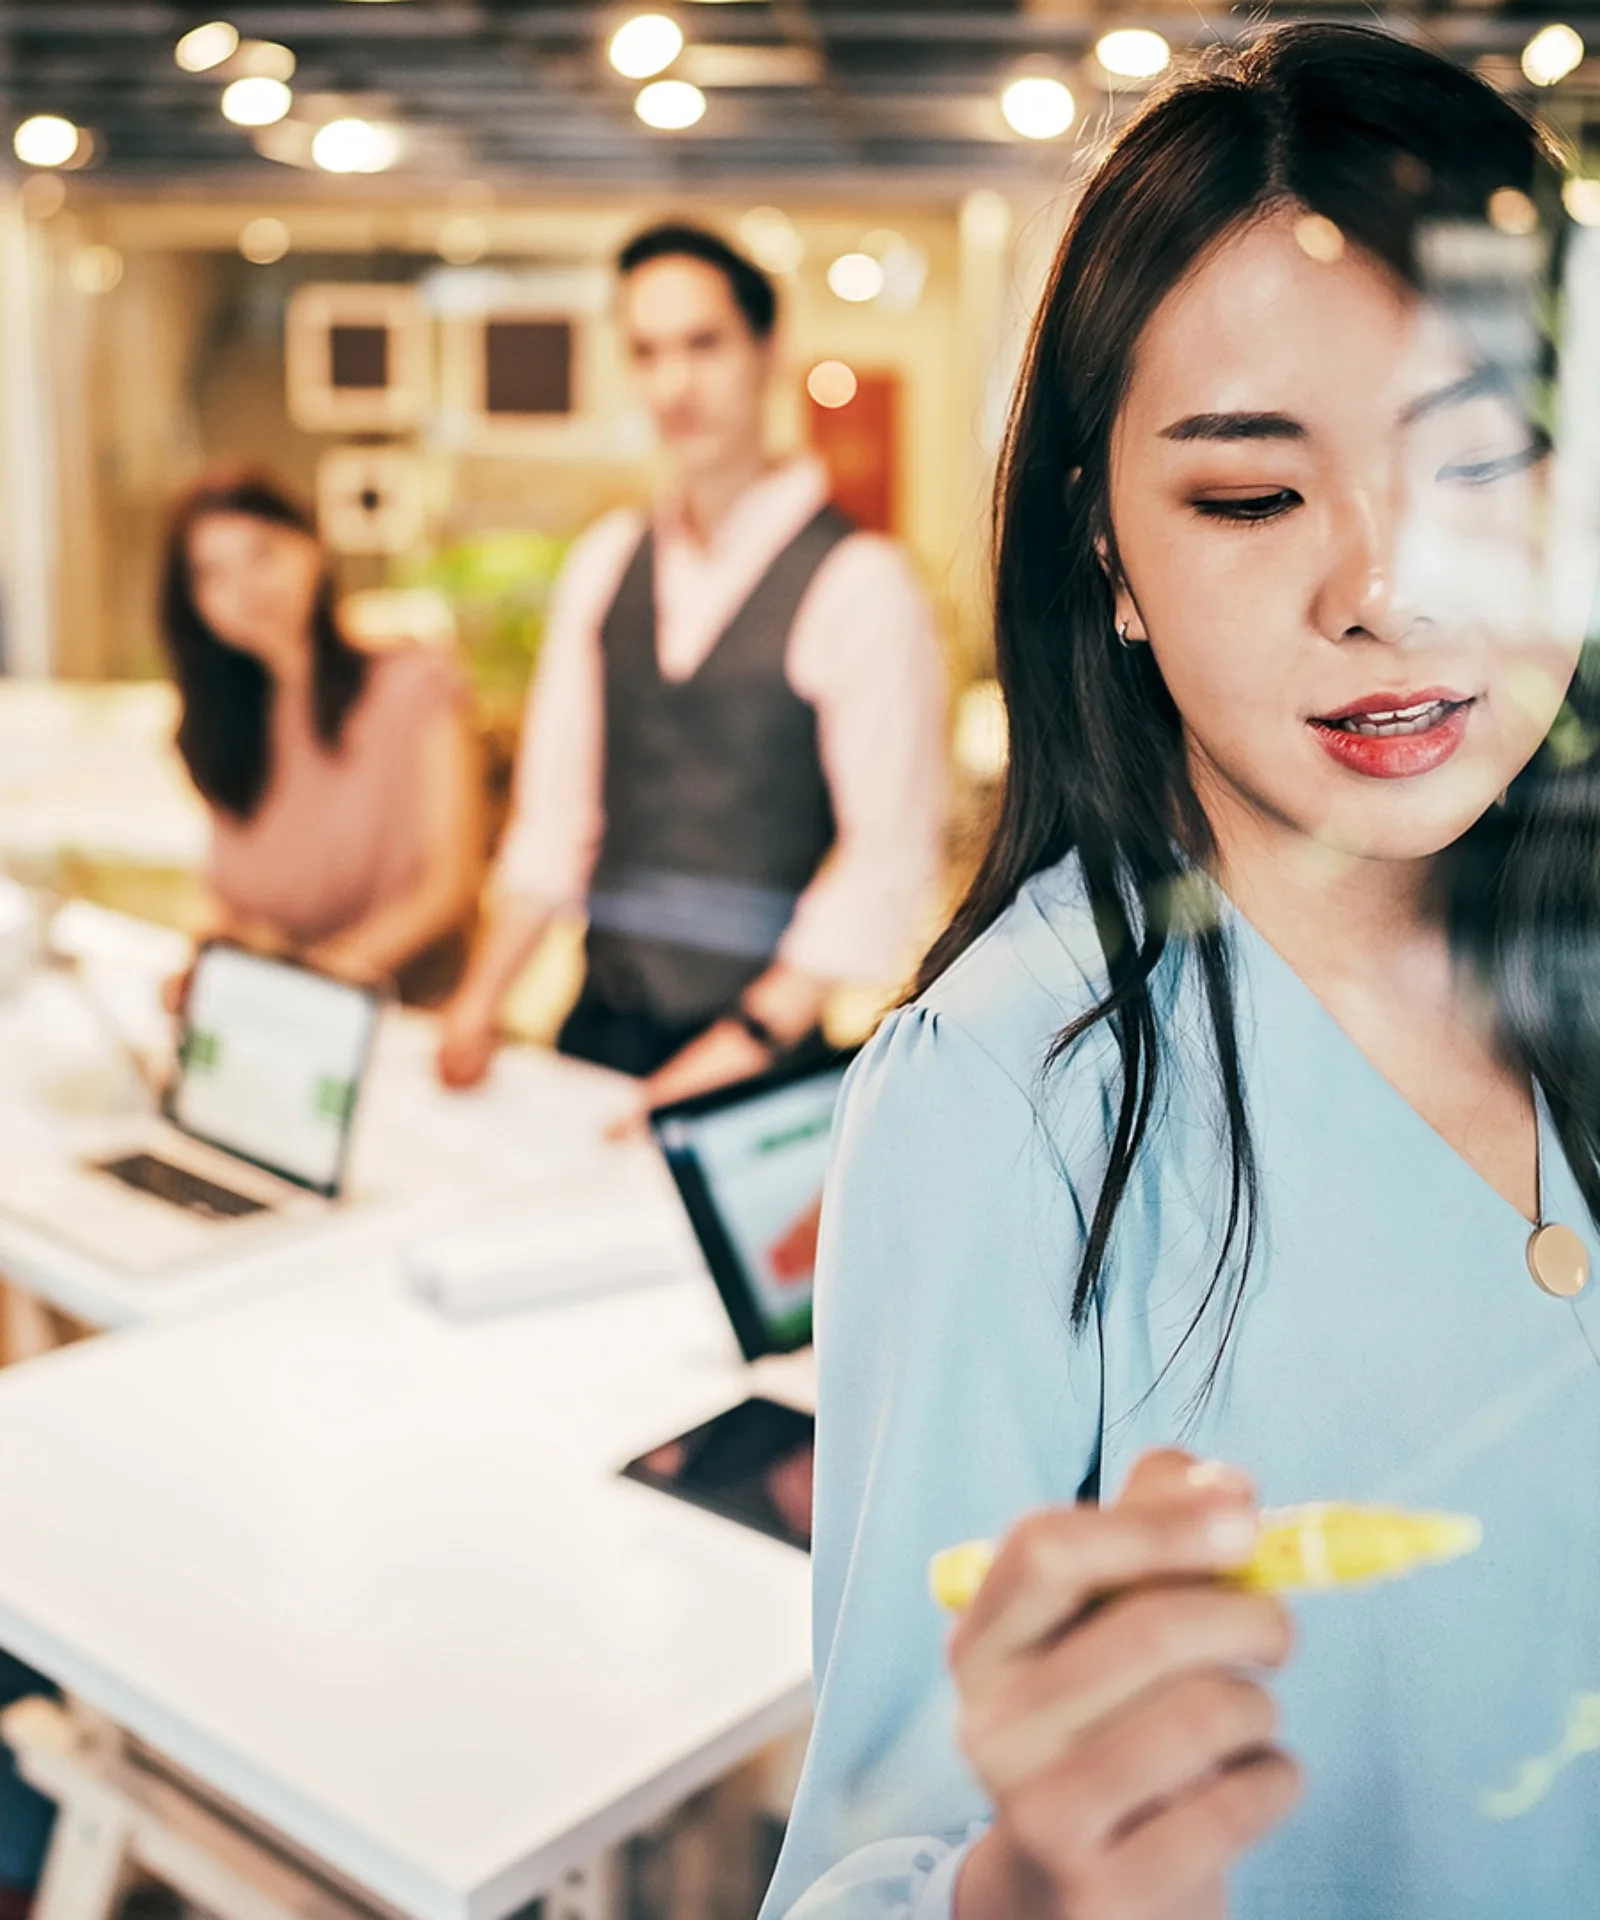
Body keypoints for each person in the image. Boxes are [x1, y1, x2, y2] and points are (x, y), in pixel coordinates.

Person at [762, 25, 1600, 1920]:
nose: (1387, 588)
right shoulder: (1001, 1096)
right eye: (1247, 499)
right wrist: (1029, 1890)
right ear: (1109, 552)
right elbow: (856, 1870)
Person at [436, 223, 945, 1104]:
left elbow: (887, 859)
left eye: (703, 345)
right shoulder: (606, 561)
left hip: (757, 1065)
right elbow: (556, 820)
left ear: (769, 351)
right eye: (647, 352)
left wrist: (741, 1043)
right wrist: (479, 1001)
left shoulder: (860, 583)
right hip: (596, 1028)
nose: (674, 385)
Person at [161, 473, 484, 1003]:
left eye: (261, 555)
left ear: (312, 546)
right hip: (289, 1011)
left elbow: (448, 887)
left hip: (413, 1015)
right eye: (212, 575)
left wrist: (315, 985)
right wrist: (208, 954)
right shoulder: (227, 720)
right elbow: (224, 891)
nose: (244, 589)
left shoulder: (414, 686)